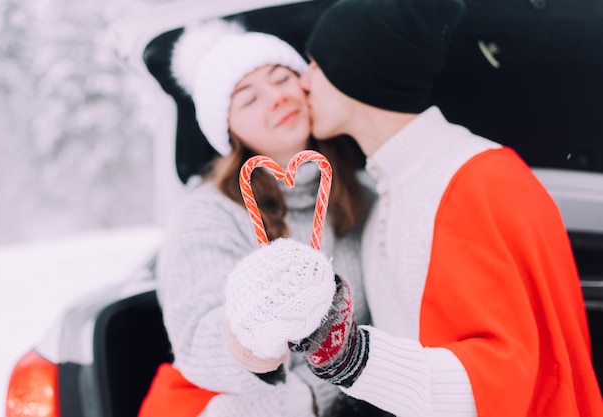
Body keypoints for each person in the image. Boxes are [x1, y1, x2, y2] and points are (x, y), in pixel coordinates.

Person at [224, 0, 603, 416]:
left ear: (359, 67)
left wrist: (350, 356)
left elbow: (510, 382)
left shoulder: (480, 180)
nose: (303, 83)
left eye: (315, 64)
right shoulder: (377, 196)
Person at [138, 18, 374, 417]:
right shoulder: (207, 213)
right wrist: (256, 333)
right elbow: (199, 340)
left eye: (281, 79)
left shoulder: (364, 193)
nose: (276, 98)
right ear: (228, 130)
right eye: (248, 99)